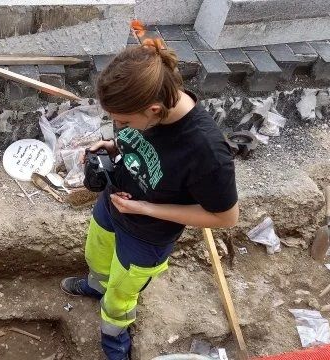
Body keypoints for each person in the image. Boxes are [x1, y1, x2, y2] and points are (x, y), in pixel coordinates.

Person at [60, 38, 240, 360]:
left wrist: (144, 208)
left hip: (146, 236)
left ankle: (115, 344)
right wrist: (113, 146)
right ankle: (95, 286)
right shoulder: (149, 107)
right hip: (113, 203)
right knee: (98, 258)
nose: (118, 126)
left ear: (154, 110)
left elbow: (226, 218)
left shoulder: (206, 151)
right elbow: (142, 141)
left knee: (120, 296)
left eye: (124, 122)